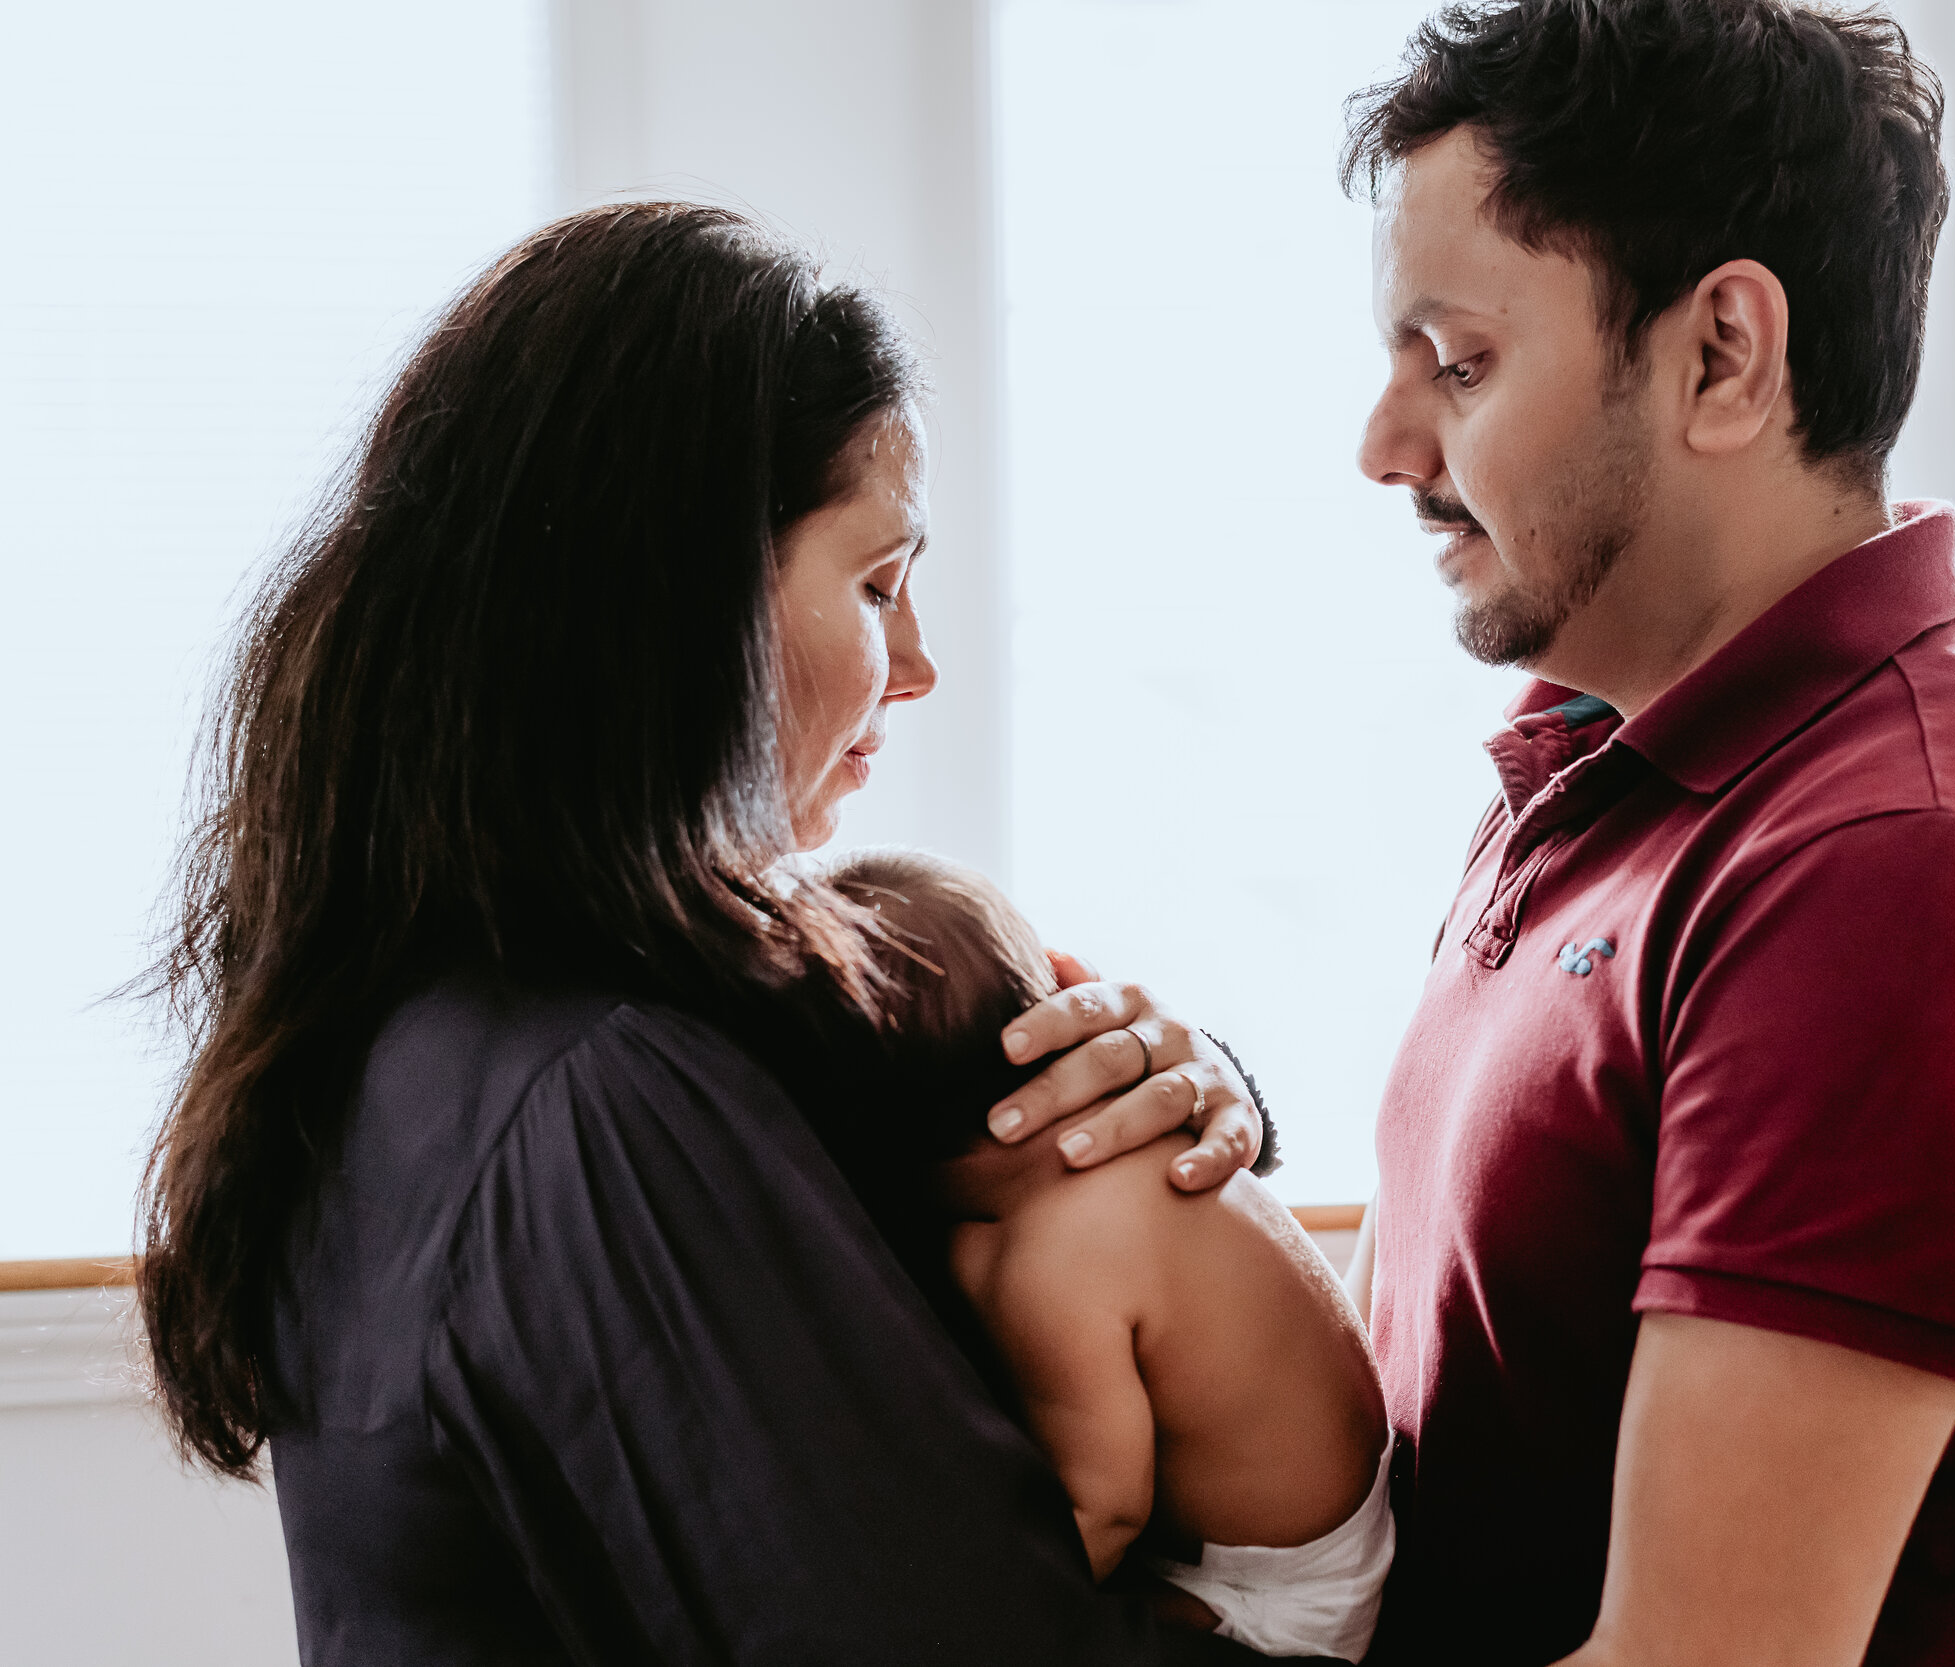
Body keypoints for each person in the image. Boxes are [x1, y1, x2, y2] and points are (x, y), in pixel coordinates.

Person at [133, 203, 1311, 1666]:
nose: (922, 661)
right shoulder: (594, 1100)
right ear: (680, 601)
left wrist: (1186, 1096)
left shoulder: (425, 1040)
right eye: (878, 584)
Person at [1338, 5, 1955, 1665]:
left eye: (1459, 363)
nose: (1384, 447)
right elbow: (1413, 1426)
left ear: (1723, 354)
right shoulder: (1603, 768)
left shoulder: (1909, 864)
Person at [825, 848, 1394, 1662]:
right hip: (1344, 1521)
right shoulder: (1148, 1120)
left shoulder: (1049, 1261)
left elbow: (1104, 1510)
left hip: (1282, 1604)